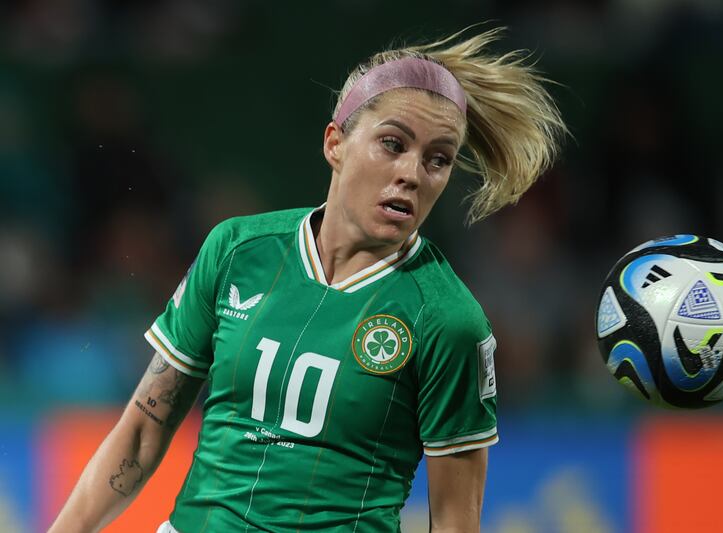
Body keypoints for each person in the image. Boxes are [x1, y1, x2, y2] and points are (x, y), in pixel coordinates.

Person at [49, 26, 565, 532]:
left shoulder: (448, 320)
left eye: (438, 159)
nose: (412, 173)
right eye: (392, 144)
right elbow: (141, 433)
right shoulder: (237, 252)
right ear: (335, 143)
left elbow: (455, 521)